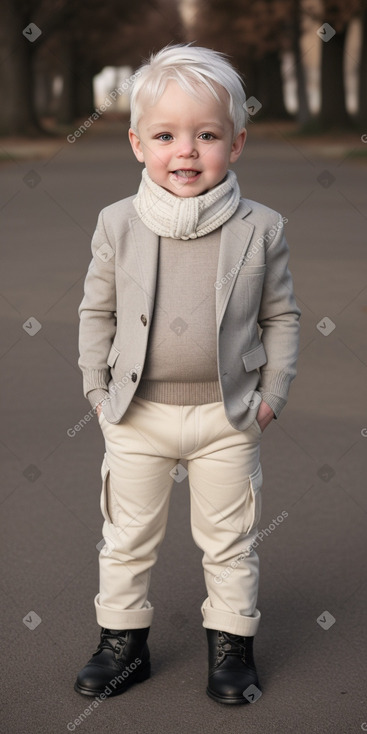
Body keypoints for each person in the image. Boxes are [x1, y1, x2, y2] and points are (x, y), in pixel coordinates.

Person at [74, 43, 301, 705]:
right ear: (137, 143)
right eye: (166, 135)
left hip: (227, 417)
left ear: (237, 142)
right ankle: (122, 644)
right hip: (137, 414)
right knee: (126, 536)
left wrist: (270, 397)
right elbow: (97, 310)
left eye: (206, 135)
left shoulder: (260, 228)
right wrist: (96, 390)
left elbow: (281, 316)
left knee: (230, 540)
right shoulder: (117, 224)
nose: (187, 152)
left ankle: (230, 648)